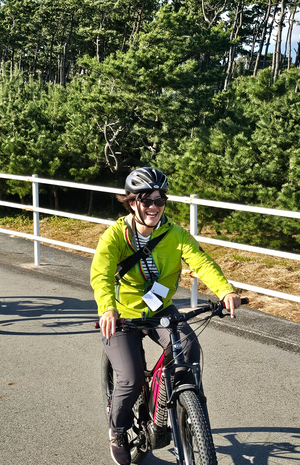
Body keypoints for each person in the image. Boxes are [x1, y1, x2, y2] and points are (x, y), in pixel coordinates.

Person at [90, 167, 240, 465]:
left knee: (189, 350)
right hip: (121, 316)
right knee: (131, 378)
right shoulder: (115, 236)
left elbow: (201, 260)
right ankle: (118, 430)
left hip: (160, 310)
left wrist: (226, 291)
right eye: (147, 200)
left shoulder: (174, 234)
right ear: (132, 202)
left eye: (160, 200)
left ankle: (184, 406)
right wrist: (107, 307)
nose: (154, 207)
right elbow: (101, 274)